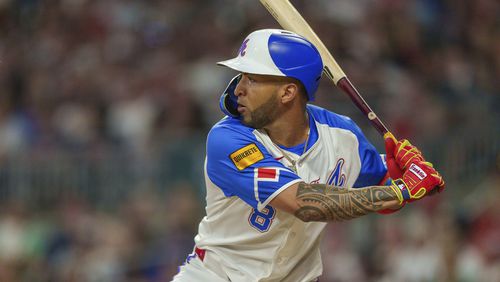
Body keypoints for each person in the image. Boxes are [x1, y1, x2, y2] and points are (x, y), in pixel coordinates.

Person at [172, 29, 445, 282]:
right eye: (241, 77)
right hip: (218, 276)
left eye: (252, 79)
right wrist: (401, 190)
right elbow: (304, 203)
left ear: (288, 92)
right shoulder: (228, 139)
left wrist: (401, 174)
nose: (238, 89)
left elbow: (382, 198)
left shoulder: (343, 135)